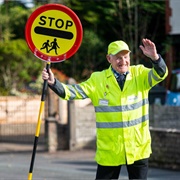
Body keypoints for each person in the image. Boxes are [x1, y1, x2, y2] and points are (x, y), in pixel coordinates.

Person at [42, 38, 168, 180]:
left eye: (126, 57)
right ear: (109, 58)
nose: (123, 61)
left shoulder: (140, 74)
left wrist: (155, 58)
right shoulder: (98, 80)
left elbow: (161, 74)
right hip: (110, 151)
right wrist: (54, 83)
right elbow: (73, 92)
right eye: (118, 58)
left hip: (138, 147)